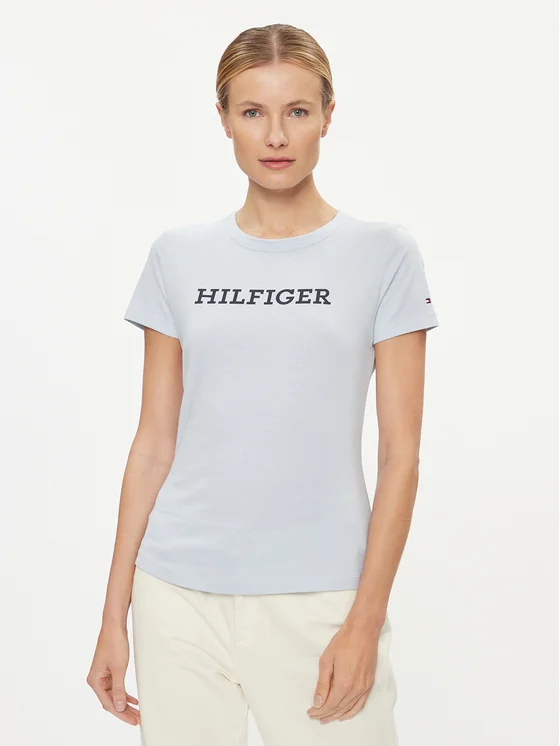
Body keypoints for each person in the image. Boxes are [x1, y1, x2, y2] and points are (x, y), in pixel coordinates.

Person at [86, 22, 439, 746]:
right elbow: (153, 444)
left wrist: (365, 620)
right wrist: (113, 614)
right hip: (177, 593)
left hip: (322, 597)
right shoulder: (178, 256)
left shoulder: (383, 255)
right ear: (223, 119)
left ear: (328, 116)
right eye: (252, 112)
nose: (275, 135)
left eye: (297, 111)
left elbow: (400, 456)